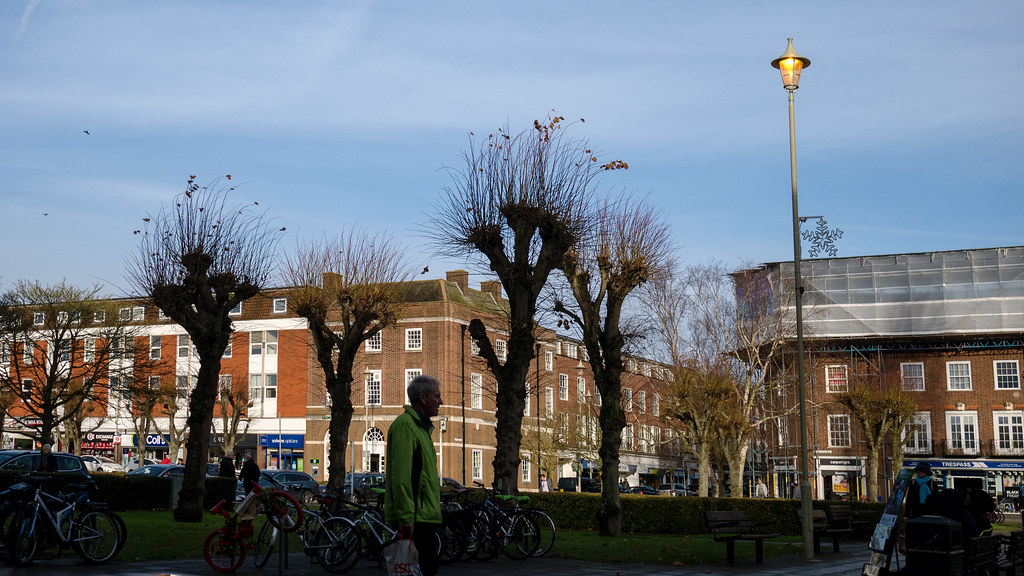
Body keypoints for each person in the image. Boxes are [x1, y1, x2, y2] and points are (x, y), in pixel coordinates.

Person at [384, 375, 443, 576]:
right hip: (416, 517)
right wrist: (406, 517)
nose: (441, 401)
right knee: (425, 568)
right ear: (423, 398)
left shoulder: (422, 428)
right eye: (437, 396)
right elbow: (401, 476)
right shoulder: (405, 426)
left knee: (426, 567)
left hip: (424, 515)